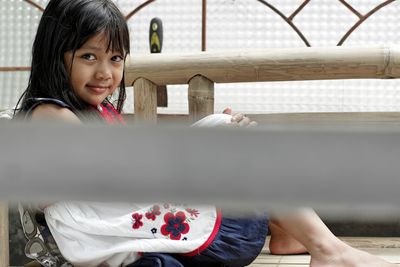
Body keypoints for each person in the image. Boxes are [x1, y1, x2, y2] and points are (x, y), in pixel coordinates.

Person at [14, 0, 398, 266]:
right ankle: (326, 248)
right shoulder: (52, 116)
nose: (105, 73)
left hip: (140, 224)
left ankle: (291, 234)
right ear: (55, 54)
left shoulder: (93, 111)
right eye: (88, 57)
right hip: (126, 235)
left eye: (115, 58)